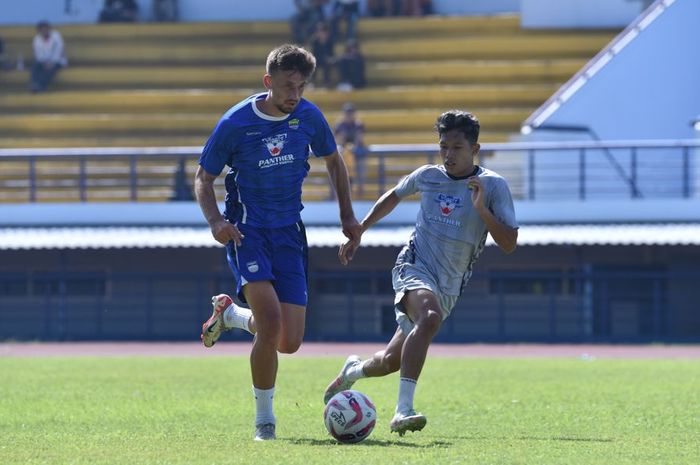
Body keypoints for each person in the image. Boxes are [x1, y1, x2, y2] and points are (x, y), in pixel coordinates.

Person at [195, 44, 361, 441]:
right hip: (247, 232)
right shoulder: (235, 123)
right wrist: (216, 221)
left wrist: (347, 216)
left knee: (288, 341)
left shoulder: (308, 115)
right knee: (270, 324)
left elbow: (334, 161)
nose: (296, 94)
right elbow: (203, 177)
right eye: (288, 86)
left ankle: (231, 316)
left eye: (301, 86)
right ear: (268, 82)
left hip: (290, 233)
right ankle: (264, 424)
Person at [323, 110, 519, 436]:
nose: (448, 154)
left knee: (389, 361)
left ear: (475, 149)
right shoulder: (428, 175)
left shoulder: (493, 186)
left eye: (457, 147)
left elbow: (509, 243)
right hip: (414, 266)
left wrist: (481, 209)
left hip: (449, 286)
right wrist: (360, 230)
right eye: (444, 146)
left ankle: (352, 371)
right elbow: (394, 196)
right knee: (429, 317)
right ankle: (403, 410)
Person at [334, 102, 368, 195]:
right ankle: (338, 193)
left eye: (351, 113)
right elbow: (339, 141)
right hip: (344, 154)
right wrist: (347, 149)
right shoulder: (340, 125)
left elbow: (359, 139)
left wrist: (353, 149)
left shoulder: (358, 125)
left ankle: (360, 192)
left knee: (360, 168)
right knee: (337, 165)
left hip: (357, 154)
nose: (349, 115)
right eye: (347, 113)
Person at [30, 21, 68, 93]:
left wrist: (52, 62)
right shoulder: (36, 39)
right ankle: (34, 84)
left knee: (50, 70)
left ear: (49, 29)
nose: (44, 31)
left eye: (46, 29)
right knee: (35, 66)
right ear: (39, 30)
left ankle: (41, 86)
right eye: (42, 30)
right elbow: (38, 54)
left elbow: (59, 50)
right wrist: (44, 62)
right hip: (43, 61)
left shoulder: (56, 36)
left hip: (57, 61)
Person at [308, 21, 334, 88]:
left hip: (326, 60)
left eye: (321, 31)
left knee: (327, 63)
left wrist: (329, 58)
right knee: (313, 63)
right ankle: (312, 83)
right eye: (318, 31)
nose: (319, 33)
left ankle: (327, 83)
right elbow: (312, 53)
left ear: (326, 33)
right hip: (317, 59)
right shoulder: (314, 41)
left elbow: (331, 53)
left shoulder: (330, 42)